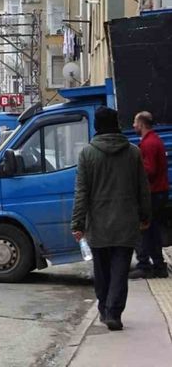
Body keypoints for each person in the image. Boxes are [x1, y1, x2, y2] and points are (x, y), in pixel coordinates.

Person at [72, 107, 151, 331]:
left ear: (97, 126)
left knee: (102, 270)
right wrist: (145, 215)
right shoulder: (133, 152)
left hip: (98, 224)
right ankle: (114, 312)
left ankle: (105, 308)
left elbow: (81, 192)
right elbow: (142, 189)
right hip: (126, 222)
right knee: (120, 270)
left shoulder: (87, 153)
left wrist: (77, 223)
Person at [130, 111, 170, 279]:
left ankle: (146, 265)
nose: (133, 125)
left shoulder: (149, 144)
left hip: (153, 193)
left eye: (135, 122)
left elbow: (149, 170)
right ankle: (158, 266)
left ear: (142, 124)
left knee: (145, 229)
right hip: (158, 192)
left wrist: (133, 174)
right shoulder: (153, 141)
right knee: (152, 230)